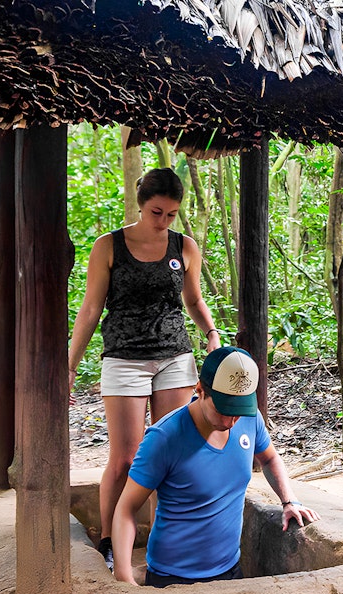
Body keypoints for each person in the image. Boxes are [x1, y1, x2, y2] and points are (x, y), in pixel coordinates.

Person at [68, 168, 222, 572]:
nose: (163, 222)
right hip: (123, 358)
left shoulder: (184, 246)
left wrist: (211, 331)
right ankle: (107, 540)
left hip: (174, 356)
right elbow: (89, 310)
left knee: (170, 452)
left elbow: (193, 301)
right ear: (141, 204)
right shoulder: (109, 246)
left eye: (171, 215)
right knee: (126, 457)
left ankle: (162, 541)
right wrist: (69, 366)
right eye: (157, 212)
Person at [112, 346, 321, 587]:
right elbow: (126, 509)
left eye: (239, 411)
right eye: (224, 409)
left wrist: (289, 500)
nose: (232, 420)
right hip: (172, 578)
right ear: (200, 390)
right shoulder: (164, 438)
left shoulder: (250, 419)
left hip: (230, 570)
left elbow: (270, 458)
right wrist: (123, 575)